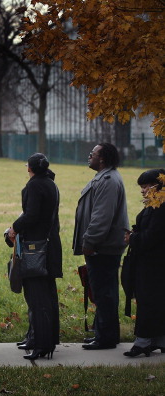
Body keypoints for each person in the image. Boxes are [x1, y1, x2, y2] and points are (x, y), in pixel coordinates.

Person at [73, 142, 129, 350]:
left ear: (102, 158)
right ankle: (104, 334)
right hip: (103, 246)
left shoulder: (108, 180)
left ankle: (105, 338)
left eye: (93, 154)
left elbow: (101, 217)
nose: (90, 156)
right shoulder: (106, 178)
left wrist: (89, 242)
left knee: (104, 293)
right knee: (104, 292)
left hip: (103, 247)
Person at [7, 153, 62, 360]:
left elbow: (31, 215)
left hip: (36, 249)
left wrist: (14, 228)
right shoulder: (50, 183)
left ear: (29, 168)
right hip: (49, 246)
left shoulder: (35, 185)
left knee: (37, 298)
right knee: (46, 296)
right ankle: (40, 338)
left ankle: (42, 344)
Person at [122, 169, 165, 357]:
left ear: (158, 186)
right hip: (152, 263)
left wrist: (132, 238)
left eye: (146, 186)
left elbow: (152, 236)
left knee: (147, 300)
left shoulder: (160, 208)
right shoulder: (154, 205)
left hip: (152, 263)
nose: (142, 191)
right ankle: (158, 339)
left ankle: (143, 341)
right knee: (155, 300)